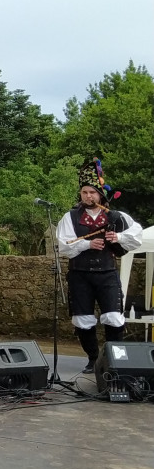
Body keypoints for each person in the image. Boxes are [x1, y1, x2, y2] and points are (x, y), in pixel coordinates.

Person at [55, 157, 143, 374]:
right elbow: (63, 245)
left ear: (100, 194)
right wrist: (86, 244)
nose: (88, 196)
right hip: (80, 275)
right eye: (85, 192)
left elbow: (137, 235)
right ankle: (93, 359)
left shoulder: (115, 216)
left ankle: (113, 359)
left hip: (107, 274)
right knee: (82, 319)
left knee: (113, 317)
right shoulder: (70, 217)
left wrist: (118, 237)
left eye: (92, 192)